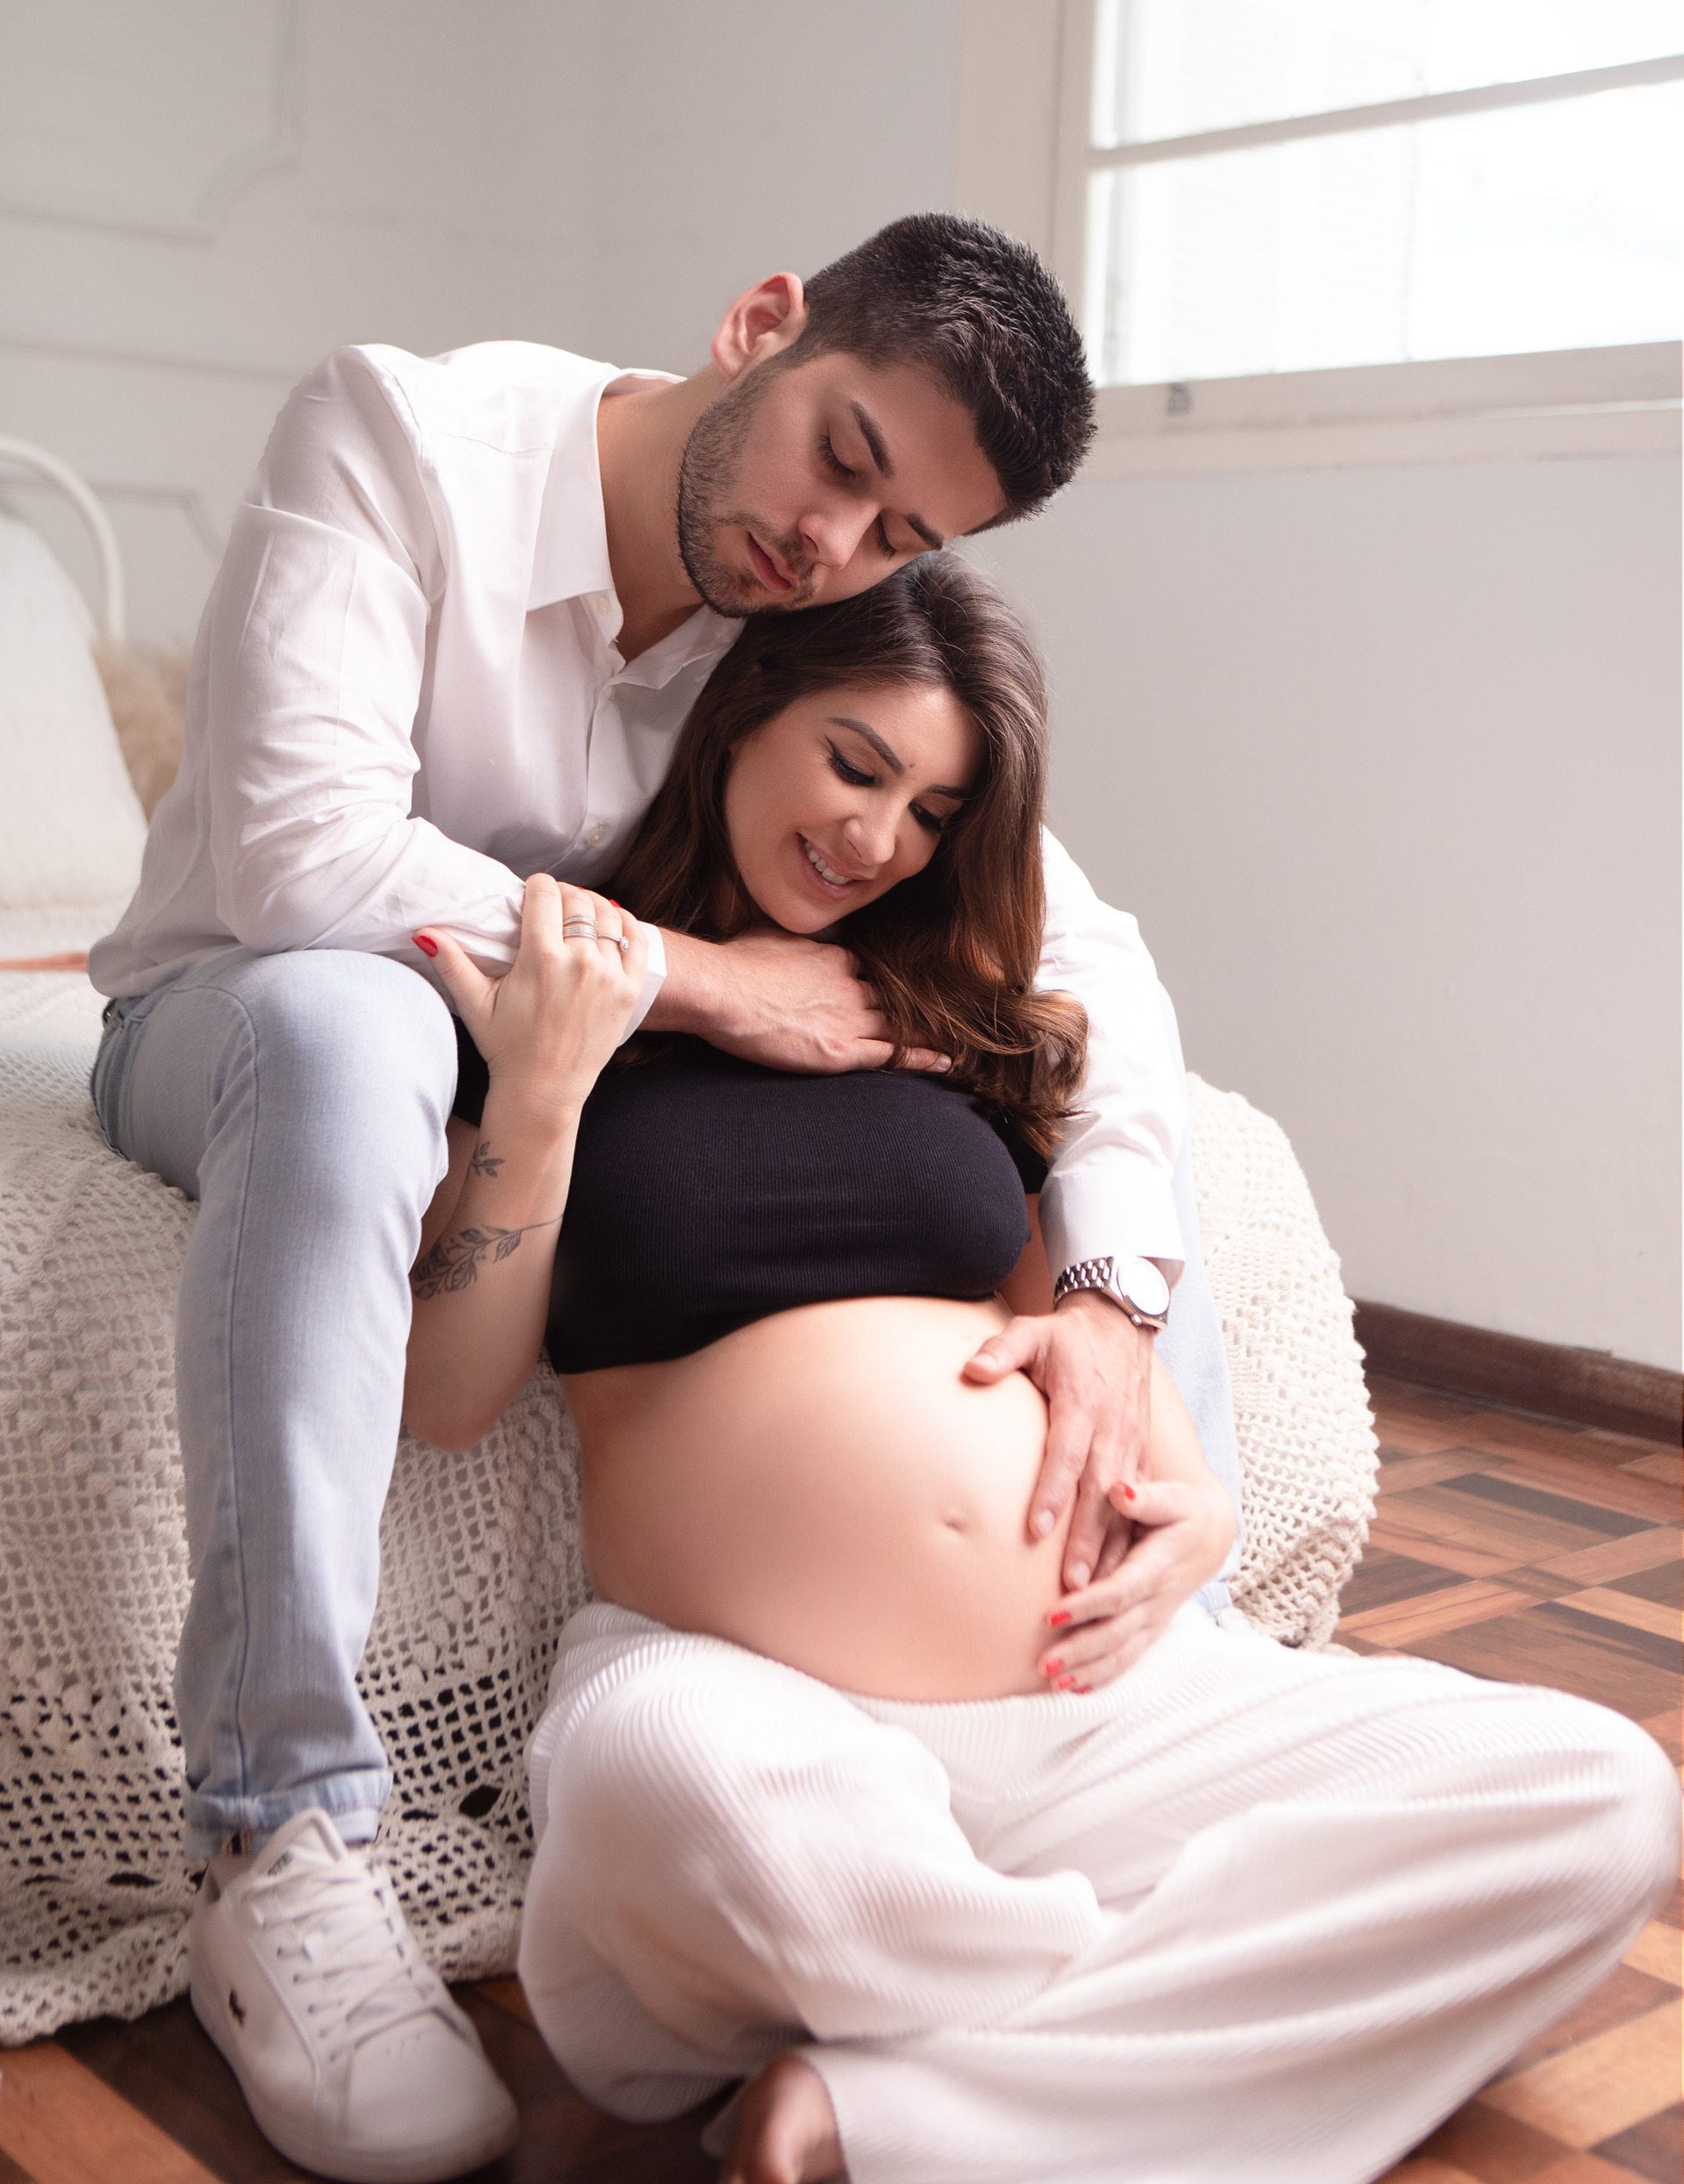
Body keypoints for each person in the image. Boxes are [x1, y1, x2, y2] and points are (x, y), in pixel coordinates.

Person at [84, 215, 1238, 2184]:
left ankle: (1164, 1690)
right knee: (358, 1035)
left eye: (902, 540)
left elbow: (1089, 960)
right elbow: (298, 854)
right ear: (761, 323)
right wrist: (713, 986)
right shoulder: (393, 438)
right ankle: (278, 1827)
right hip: (247, 1010)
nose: (840, 546)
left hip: (540, 1057)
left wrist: (1123, 1309)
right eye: (847, 460)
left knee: (1085, 1101)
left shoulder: (791, 610)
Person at [407, 559, 1680, 2184]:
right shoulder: (582, 994)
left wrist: (1200, 1510)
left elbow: (1086, 1347)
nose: (876, 838)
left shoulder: (964, 1020)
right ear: (739, 721)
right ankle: (1171, 2012)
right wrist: (537, 1095)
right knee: (677, 1793)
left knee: (1601, 1801)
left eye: (933, 811)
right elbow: (447, 1394)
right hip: (743, 1692)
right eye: (854, 764)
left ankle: (895, 2107)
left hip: (1105, 1702)